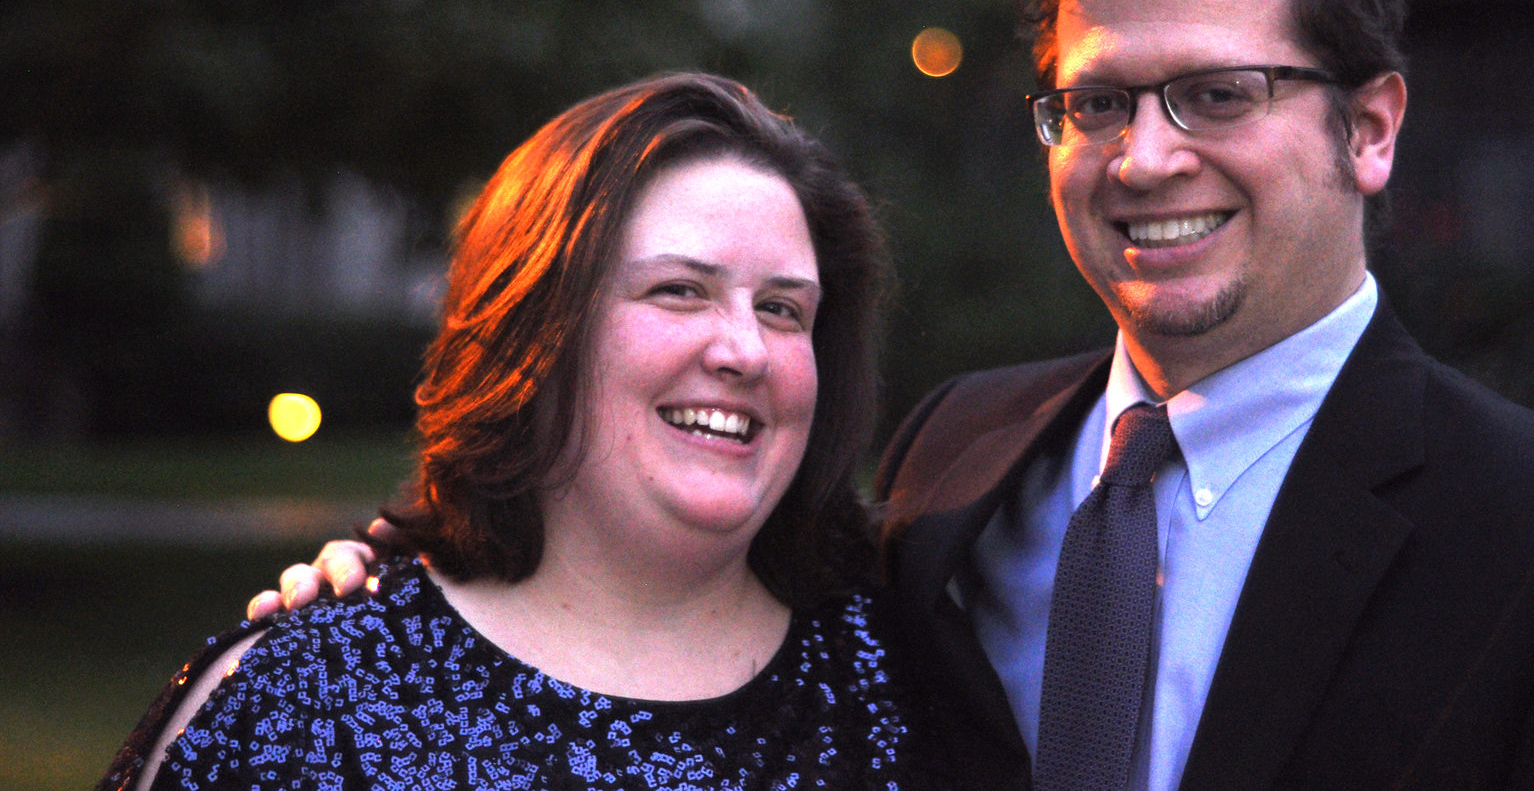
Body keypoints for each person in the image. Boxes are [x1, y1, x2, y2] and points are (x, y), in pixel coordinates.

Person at [251, 0, 1534, 789]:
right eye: (1097, 101)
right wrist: (404, 592)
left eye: (1218, 93)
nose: (1146, 155)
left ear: (1370, 126)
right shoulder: (957, 457)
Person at [102, 73, 950, 791]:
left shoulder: (912, 679)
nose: (744, 350)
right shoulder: (309, 705)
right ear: (532, 332)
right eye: (679, 291)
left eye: (781, 308)